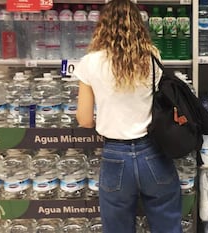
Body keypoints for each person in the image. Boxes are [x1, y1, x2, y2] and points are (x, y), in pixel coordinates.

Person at [73, 0, 182, 232]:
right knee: (167, 224)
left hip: (115, 157)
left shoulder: (90, 62)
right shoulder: (151, 56)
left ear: (103, 25)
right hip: (153, 153)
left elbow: (84, 120)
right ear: (138, 25)